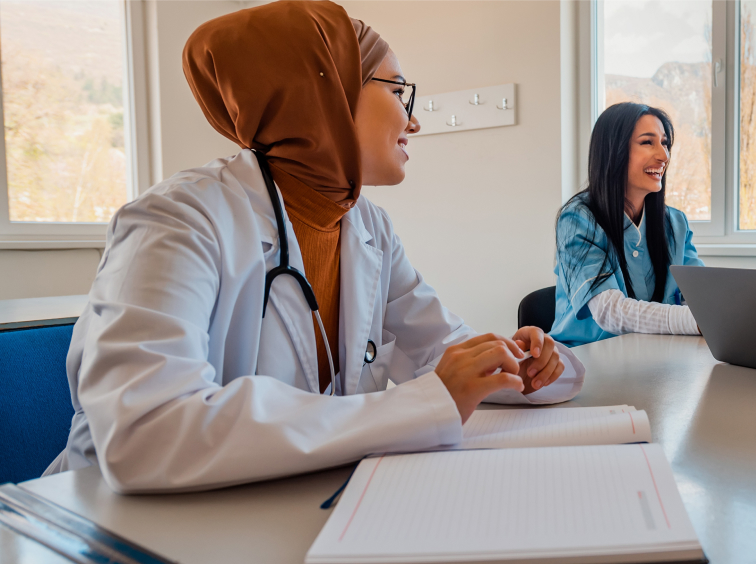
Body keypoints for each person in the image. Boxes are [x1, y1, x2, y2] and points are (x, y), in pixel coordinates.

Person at [44, 0, 584, 493]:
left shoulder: (368, 227)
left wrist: (532, 364)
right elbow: (145, 431)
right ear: (325, 93)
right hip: (107, 526)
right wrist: (422, 401)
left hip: (281, 508)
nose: (413, 120)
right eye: (398, 92)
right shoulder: (177, 220)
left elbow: (445, 352)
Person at [550, 103, 704, 347]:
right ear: (613, 150)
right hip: (585, 363)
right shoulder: (578, 219)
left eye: (664, 143)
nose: (664, 156)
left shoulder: (676, 223)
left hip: (654, 359)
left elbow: (701, 297)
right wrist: (696, 321)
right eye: (647, 142)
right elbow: (609, 312)